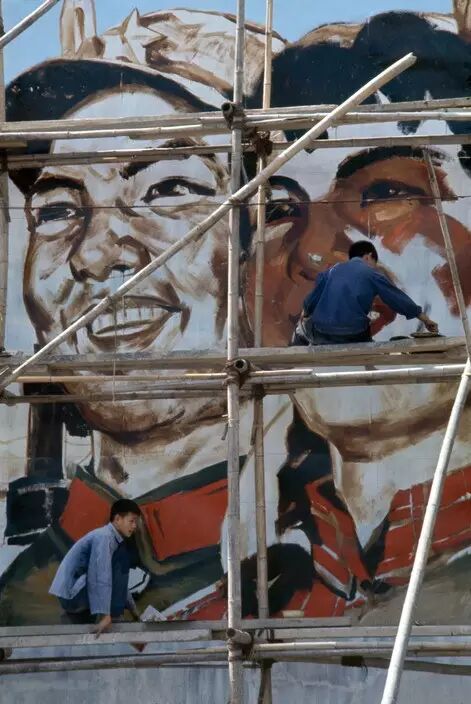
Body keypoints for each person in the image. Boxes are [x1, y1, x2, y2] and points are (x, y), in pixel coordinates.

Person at [292, 240, 438, 345]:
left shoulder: (330, 272)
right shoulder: (371, 274)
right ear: (368, 256)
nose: (374, 266)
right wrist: (425, 319)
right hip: (354, 335)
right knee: (363, 331)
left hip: (322, 333)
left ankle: (293, 362)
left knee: (301, 329)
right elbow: (396, 298)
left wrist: (306, 316)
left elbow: (310, 302)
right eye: (374, 262)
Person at [49, 499, 141, 635]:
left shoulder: (114, 540)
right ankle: (115, 618)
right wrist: (105, 615)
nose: (134, 526)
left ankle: (116, 617)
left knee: (118, 566)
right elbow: (100, 575)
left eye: (136, 522)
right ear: (117, 519)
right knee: (111, 569)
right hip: (72, 595)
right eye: (131, 521)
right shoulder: (104, 538)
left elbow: (118, 580)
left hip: (80, 591)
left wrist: (134, 611)